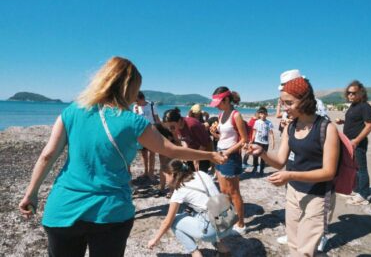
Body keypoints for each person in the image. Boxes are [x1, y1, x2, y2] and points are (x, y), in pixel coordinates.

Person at [18, 56, 227, 257]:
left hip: (63, 209)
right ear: (130, 88)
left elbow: (47, 155)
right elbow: (170, 150)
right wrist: (209, 153)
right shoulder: (132, 121)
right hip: (110, 211)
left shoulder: (72, 111)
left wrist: (31, 193)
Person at [246, 76, 340, 256]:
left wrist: (290, 176)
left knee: (305, 251)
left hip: (318, 196)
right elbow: (281, 162)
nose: (284, 108)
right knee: (294, 244)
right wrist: (262, 153)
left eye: (289, 103)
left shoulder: (326, 128)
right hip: (293, 193)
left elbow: (329, 172)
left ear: (304, 100)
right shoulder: (291, 126)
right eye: (282, 103)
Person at [147, 160, 231, 257]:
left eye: (166, 176)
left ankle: (196, 254)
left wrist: (155, 239)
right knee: (195, 212)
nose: (165, 179)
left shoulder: (180, 190)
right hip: (228, 221)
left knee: (174, 221)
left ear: (173, 175)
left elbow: (167, 222)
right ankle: (224, 251)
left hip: (213, 229)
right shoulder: (201, 174)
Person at [209, 86, 247, 234]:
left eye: (218, 102)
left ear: (226, 99)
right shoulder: (221, 114)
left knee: (234, 192)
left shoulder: (236, 115)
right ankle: (229, 220)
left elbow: (243, 140)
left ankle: (242, 224)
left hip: (230, 157)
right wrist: (215, 134)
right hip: (221, 153)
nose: (217, 105)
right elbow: (225, 137)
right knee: (223, 191)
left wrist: (228, 152)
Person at [336, 80, 371, 205]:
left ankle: (364, 195)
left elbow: (369, 126)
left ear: (361, 93)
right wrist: (342, 121)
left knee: (361, 169)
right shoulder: (353, 106)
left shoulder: (365, 106)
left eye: (353, 93)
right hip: (349, 142)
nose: (350, 96)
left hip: (358, 143)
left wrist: (356, 141)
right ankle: (357, 189)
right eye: (348, 93)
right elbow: (355, 122)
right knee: (353, 167)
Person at [163, 108, 213, 173]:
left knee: (201, 173)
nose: (170, 129)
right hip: (192, 150)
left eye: (172, 127)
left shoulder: (192, 124)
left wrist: (196, 158)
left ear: (179, 121)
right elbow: (184, 140)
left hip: (204, 150)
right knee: (189, 173)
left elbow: (204, 143)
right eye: (168, 127)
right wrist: (184, 154)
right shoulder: (177, 126)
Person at [133, 91, 161, 182]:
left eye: (137, 100)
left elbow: (156, 119)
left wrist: (160, 131)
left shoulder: (152, 105)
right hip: (141, 132)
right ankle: (145, 171)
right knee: (144, 154)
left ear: (142, 98)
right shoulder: (136, 107)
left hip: (152, 131)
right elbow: (135, 120)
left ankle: (151, 173)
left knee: (152, 153)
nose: (136, 102)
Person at [250, 107, 275, 175]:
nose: (263, 115)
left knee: (263, 157)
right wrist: (252, 140)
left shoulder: (269, 123)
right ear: (259, 114)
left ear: (267, 114)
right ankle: (255, 168)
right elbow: (254, 132)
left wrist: (273, 142)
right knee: (255, 155)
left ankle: (261, 170)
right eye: (261, 113)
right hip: (257, 141)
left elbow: (271, 133)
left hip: (265, 143)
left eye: (264, 114)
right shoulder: (257, 122)